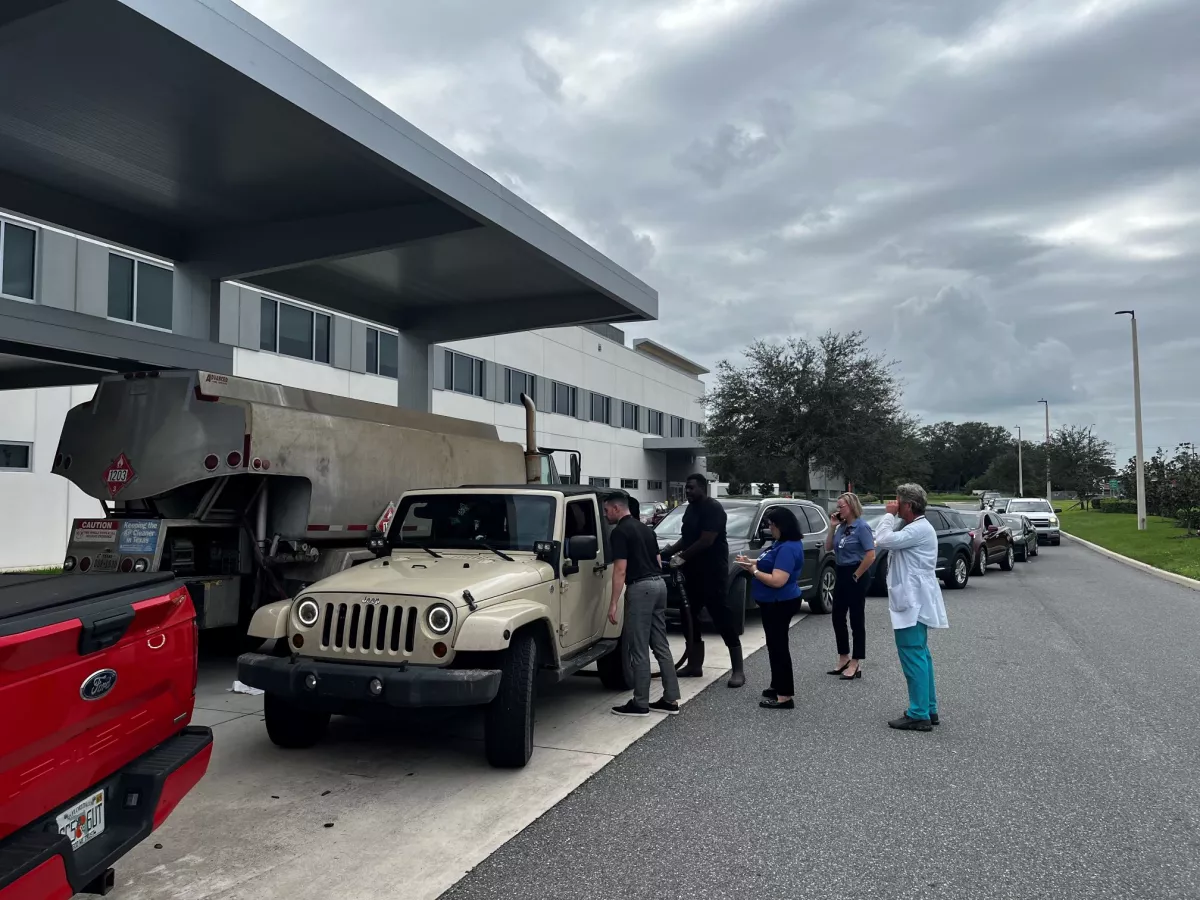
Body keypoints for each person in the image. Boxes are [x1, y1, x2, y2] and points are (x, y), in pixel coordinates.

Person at [872, 483, 948, 731]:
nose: (894, 505)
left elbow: (883, 539)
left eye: (898, 502)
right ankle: (928, 708)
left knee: (912, 654)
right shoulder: (917, 527)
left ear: (908, 505)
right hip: (915, 598)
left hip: (912, 602)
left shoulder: (917, 529)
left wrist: (887, 515)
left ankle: (919, 713)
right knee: (920, 654)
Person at [659, 474, 744, 688]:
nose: (687, 491)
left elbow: (706, 540)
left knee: (721, 617)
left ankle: (738, 670)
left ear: (703, 488)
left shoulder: (713, 508)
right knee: (688, 616)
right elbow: (687, 538)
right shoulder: (690, 509)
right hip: (692, 573)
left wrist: (681, 557)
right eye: (686, 488)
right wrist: (668, 551)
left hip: (712, 572)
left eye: (691, 488)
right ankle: (694, 665)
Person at [604, 493, 682, 717]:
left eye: (607, 510)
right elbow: (657, 560)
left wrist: (613, 603)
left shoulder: (620, 532)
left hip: (641, 588)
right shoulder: (646, 529)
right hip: (659, 585)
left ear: (617, 508)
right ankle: (670, 699)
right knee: (661, 645)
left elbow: (620, 570)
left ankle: (640, 703)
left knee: (638, 647)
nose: (605, 515)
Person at [734, 507, 805, 710]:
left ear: (781, 526)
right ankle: (777, 685)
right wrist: (750, 562)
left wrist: (754, 571)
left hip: (780, 602)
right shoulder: (779, 544)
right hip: (772, 602)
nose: (769, 529)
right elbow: (767, 561)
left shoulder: (788, 548)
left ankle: (785, 696)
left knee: (779, 647)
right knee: (774, 646)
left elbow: (777, 580)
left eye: (772, 525)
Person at [826, 492, 876, 680]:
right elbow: (828, 547)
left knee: (856, 618)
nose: (838, 509)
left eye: (842, 506)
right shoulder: (842, 527)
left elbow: (871, 555)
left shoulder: (861, 527)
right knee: (837, 616)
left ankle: (856, 661)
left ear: (852, 506)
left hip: (856, 572)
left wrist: (856, 575)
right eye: (838, 506)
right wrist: (832, 527)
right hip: (841, 571)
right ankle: (843, 657)